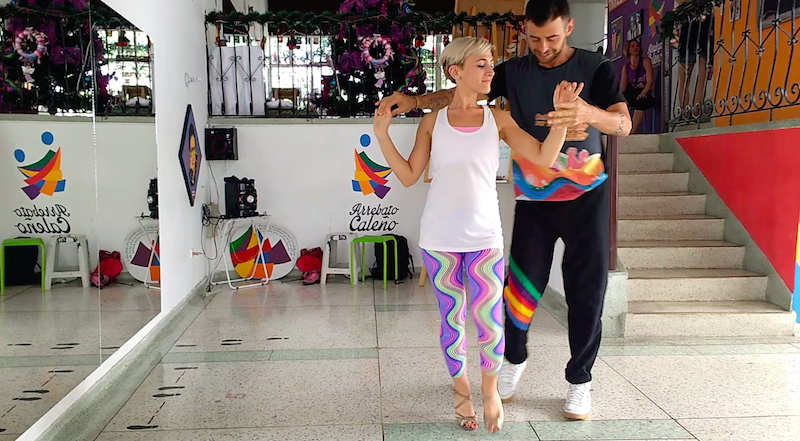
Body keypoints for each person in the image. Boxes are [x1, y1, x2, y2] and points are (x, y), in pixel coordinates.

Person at [377, 0, 631, 421]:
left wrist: (583, 113)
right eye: (533, 38)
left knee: (586, 293)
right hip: (533, 197)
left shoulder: (596, 67)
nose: (543, 47)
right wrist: (413, 99)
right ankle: (512, 361)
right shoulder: (512, 72)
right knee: (519, 291)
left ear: (568, 27)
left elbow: (623, 124)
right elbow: (458, 94)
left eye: (551, 37)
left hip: (585, 195)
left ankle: (579, 380)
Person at [621, 39, 654, 133]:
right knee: (620, 102)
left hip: (645, 92)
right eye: (633, 46)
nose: (636, 48)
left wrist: (643, 92)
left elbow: (650, 81)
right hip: (632, 93)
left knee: (641, 101)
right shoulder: (626, 67)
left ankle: (632, 131)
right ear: (628, 50)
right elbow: (623, 87)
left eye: (637, 46)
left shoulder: (645, 61)